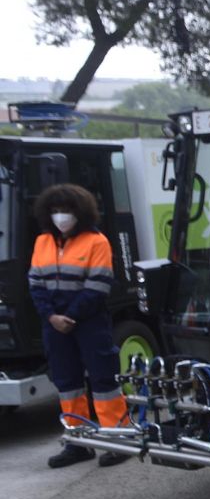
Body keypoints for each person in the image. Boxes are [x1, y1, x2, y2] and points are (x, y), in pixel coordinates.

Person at [28, 183, 131, 468]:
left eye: (67, 210)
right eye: (55, 211)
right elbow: (35, 283)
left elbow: (98, 285)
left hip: (89, 321)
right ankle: (78, 442)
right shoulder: (42, 242)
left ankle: (117, 440)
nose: (61, 216)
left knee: (104, 380)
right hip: (54, 324)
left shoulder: (96, 241)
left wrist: (69, 317)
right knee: (67, 383)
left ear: (81, 212)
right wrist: (51, 317)